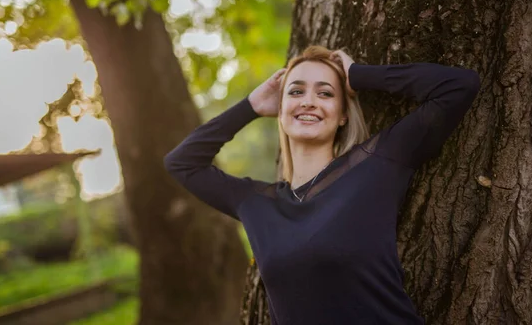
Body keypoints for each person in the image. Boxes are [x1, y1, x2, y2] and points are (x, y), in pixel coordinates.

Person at [164, 45, 480, 325]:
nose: (309, 102)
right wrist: (250, 106)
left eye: (325, 93)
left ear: (342, 114)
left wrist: (357, 74)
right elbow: (182, 163)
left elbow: (458, 86)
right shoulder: (257, 203)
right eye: (296, 91)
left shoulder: (378, 165)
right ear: (280, 109)